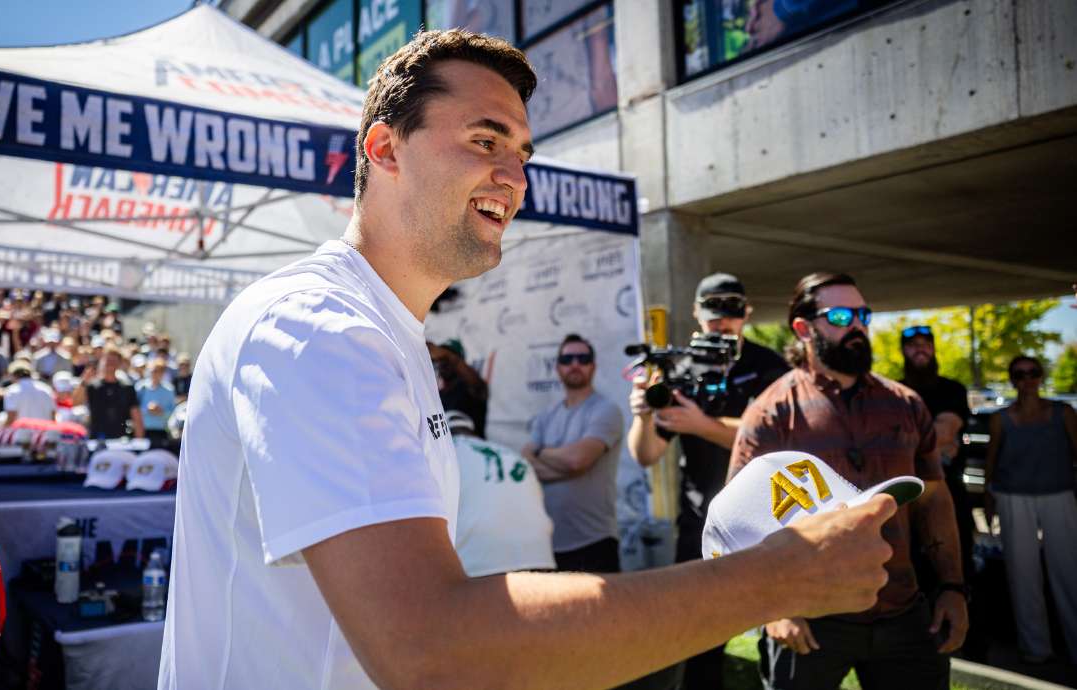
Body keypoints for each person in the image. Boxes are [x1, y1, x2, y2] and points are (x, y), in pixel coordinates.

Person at [158, 31, 901, 690]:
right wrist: (772, 577)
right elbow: (428, 650)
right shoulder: (319, 327)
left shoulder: (383, 333)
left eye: (522, 154)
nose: (515, 179)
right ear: (384, 149)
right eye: (485, 141)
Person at [730, 272, 968, 690]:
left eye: (863, 314)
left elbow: (933, 501)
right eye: (841, 315)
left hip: (903, 612)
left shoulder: (906, 405)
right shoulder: (771, 413)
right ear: (803, 329)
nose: (857, 326)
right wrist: (772, 608)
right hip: (810, 619)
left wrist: (952, 586)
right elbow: (740, 522)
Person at [628, 272, 789, 689]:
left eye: (731, 314)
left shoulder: (768, 366)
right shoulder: (681, 368)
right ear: (696, 315)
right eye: (712, 315)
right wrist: (645, 412)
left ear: (747, 314)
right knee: (698, 637)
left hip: (767, 520)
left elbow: (778, 440)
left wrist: (701, 424)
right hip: (702, 522)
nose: (721, 324)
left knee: (782, 632)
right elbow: (646, 453)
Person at [898, 324, 986, 656]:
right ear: (903, 351)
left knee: (956, 570)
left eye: (925, 344)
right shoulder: (896, 391)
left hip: (950, 498)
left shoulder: (952, 389)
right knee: (915, 575)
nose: (920, 349)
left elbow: (945, 436)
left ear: (934, 349)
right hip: (907, 504)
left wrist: (902, 447)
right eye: (912, 345)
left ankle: (969, 646)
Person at [984, 355, 1077, 665]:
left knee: (1069, 571)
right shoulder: (1001, 419)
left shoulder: (1063, 412)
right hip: (1013, 499)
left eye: (1033, 373)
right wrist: (989, 500)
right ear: (1012, 379)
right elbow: (992, 463)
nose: (1027, 379)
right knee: (1022, 573)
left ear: (1040, 376)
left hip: (1059, 496)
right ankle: (1035, 648)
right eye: (1020, 374)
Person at [431, 345, 555, 577]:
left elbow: (479, 389)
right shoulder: (436, 393)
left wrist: (447, 356)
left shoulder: (469, 387)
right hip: (462, 457)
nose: (440, 366)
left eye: (445, 360)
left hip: (472, 462)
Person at [521, 333, 625, 573]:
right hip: (549, 545)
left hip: (594, 541)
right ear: (558, 368)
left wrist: (541, 452)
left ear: (593, 366)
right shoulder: (546, 416)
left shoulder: (606, 410)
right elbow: (527, 465)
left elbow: (578, 460)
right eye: (567, 359)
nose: (575, 364)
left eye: (583, 358)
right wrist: (567, 465)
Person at [79, 345, 143, 439]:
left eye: (113, 361)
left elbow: (136, 416)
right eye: (108, 361)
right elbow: (76, 402)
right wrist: (84, 382)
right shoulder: (92, 386)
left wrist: (139, 441)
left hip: (122, 439)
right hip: (98, 439)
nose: (110, 364)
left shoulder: (127, 387)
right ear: (102, 362)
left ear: (119, 363)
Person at [137, 358, 176, 448]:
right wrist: (147, 410)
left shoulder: (169, 390)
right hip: (143, 431)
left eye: (158, 371)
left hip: (161, 432)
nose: (154, 374)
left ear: (163, 373)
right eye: (153, 371)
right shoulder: (141, 387)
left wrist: (161, 412)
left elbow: (173, 413)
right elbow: (135, 410)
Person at [2, 360, 56, 424]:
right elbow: (53, 415)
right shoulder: (46, 389)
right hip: (44, 432)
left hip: (21, 432)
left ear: (13, 375)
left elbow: (11, 416)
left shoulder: (11, 391)